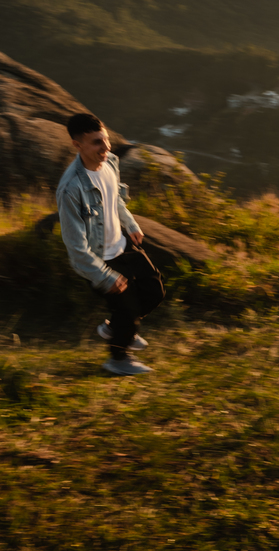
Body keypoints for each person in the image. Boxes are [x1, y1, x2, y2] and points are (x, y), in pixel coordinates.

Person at [57, 113, 164, 376]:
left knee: (154, 291)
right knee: (127, 306)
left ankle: (116, 328)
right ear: (77, 145)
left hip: (122, 245)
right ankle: (118, 358)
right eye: (96, 142)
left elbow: (114, 198)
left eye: (105, 140)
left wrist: (131, 224)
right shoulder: (71, 189)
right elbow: (76, 248)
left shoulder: (110, 162)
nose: (105, 147)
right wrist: (104, 276)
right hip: (100, 259)